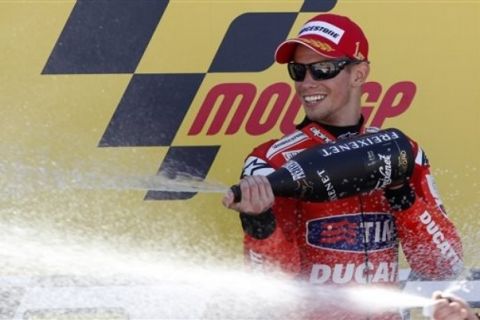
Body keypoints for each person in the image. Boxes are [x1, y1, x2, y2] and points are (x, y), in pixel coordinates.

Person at [222, 13, 463, 319]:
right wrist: (260, 227)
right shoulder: (270, 162)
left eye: (322, 69)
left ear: (359, 73)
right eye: (298, 71)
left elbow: (443, 266)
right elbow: (272, 290)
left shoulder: (403, 152)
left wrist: (402, 196)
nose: (307, 83)